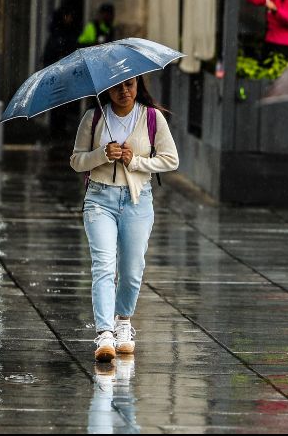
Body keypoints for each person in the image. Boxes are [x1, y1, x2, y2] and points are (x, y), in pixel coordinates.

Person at [70, 75, 179, 362]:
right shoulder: (94, 117)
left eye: (129, 85)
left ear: (138, 85)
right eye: (117, 86)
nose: (123, 91)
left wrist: (136, 161)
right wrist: (102, 154)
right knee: (104, 265)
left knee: (132, 269)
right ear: (107, 89)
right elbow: (77, 161)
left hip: (137, 200)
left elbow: (171, 159)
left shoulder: (151, 117)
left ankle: (123, 322)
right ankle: (105, 332)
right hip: (99, 199)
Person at [43, 6, 81, 139]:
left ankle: (59, 130)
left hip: (65, 75)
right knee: (57, 105)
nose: (69, 19)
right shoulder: (58, 36)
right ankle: (56, 130)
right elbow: (50, 56)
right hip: (58, 75)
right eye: (67, 16)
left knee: (63, 104)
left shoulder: (67, 34)